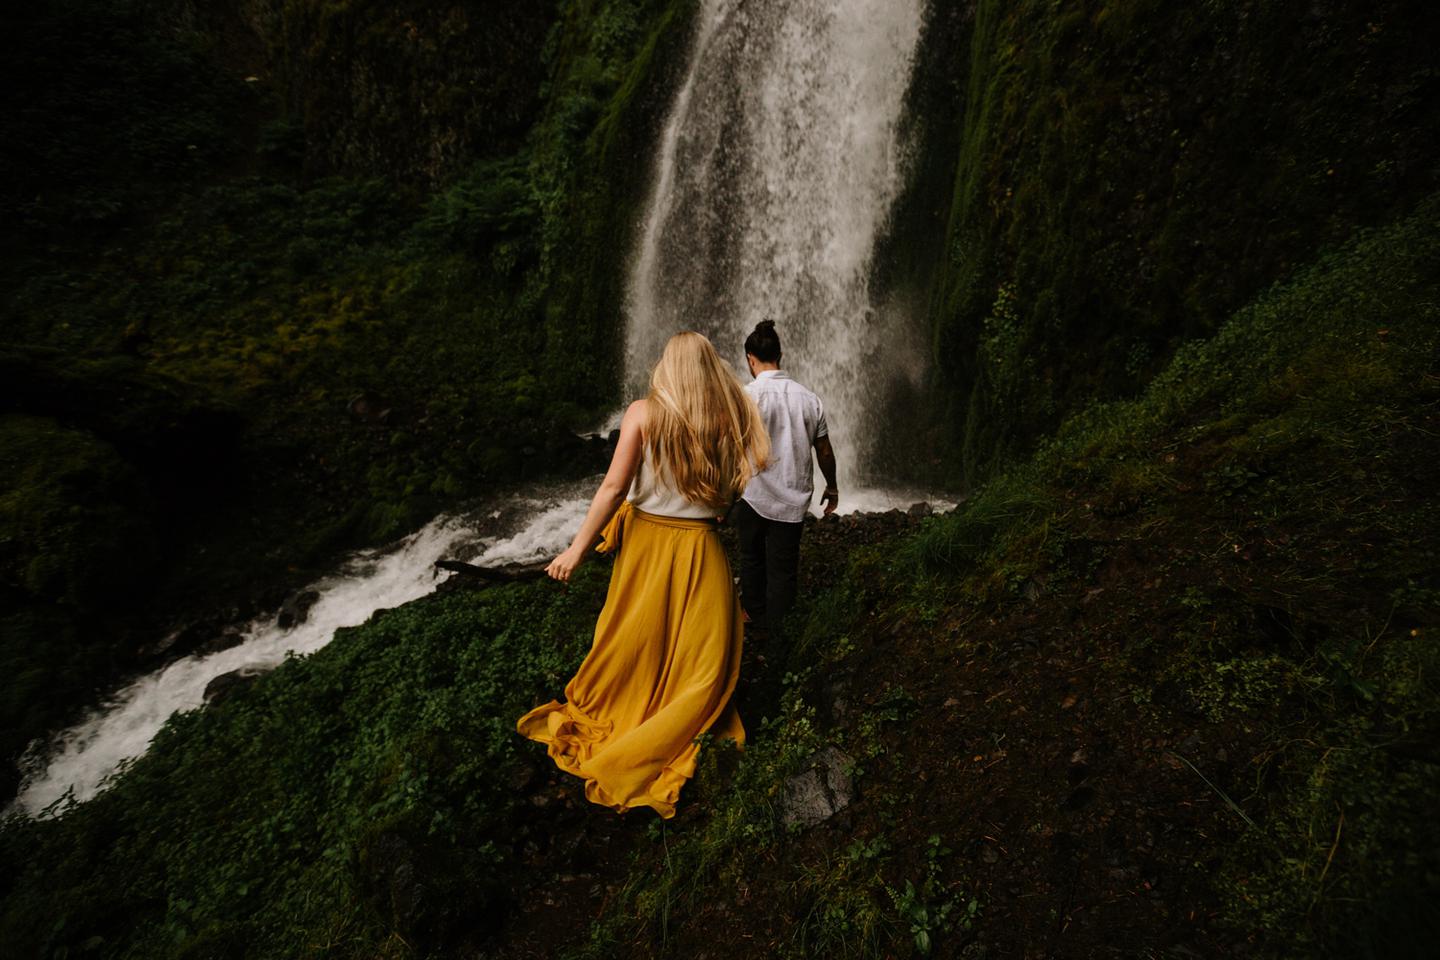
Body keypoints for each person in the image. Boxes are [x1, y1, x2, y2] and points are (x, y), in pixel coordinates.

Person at [516, 331, 771, 818]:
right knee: (699, 658)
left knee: (633, 636)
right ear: (711, 368)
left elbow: (614, 488)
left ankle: (632, 719)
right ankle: (671, 727)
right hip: (701, 548)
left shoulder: (642, 413)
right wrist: (714, 505)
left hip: (647, 545)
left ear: (668, 367)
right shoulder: (731, 417)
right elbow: (736, 488)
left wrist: (577, 549)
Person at [730, 319, 838, 639]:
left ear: (750, 359)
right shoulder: (809, 399)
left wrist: (724, 491)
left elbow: (729, 445)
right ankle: (781, 632)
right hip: (792, 497)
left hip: (753, 494)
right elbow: (824, 450)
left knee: (751, 557)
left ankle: (754, 614)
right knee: (784, 568)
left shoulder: (744, 397)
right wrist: (832, 486)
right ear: (780, 355)